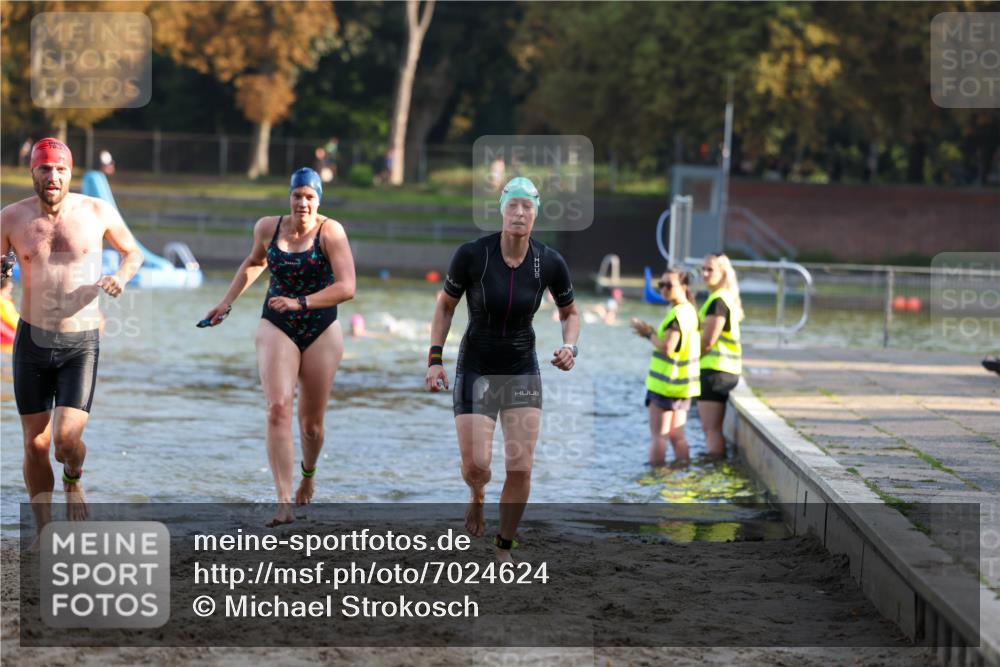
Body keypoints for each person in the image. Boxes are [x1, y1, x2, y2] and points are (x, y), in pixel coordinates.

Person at [425, 176, 580, 562]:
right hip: (476, 364)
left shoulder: (550, 262)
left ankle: (504, 546)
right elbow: (445, 306)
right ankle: (477, 495)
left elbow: (570, 313)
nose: (520, 212)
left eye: (527, 206)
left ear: (536, 214)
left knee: (521, 468)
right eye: (513, 204)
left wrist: (569, 345)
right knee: (477, 466)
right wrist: (434, 359)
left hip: (521, 367)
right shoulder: (473, 255)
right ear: (501, 210)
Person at [0, 138, 143, 532]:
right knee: (36, 443)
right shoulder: (11, 218)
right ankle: (44, 530)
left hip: (79, 342)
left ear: (70, 172)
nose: (53, 176)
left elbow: (133, 253)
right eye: (45, 168)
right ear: (32, 172)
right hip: (30, 341)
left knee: (64, 442)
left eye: (60, 169)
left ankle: (74, 476)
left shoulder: (97, 211)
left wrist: (120, 277)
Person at [202, 167, 356, 527]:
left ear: (319, 200)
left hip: (320, 326)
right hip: (276, 323)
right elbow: (256, 262)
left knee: (312, 426)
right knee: (277, 408)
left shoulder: (330, 231)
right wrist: (226, 302)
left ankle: (308, 473)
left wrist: (301, 302)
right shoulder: (268, 228)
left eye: (310, 197)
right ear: (289, 197)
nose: (303, 203)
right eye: (297, 195)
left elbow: (348, 287)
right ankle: (283, 503)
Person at [631, 269, 700, 468]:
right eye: (661, 285)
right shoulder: (690, 311)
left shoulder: (678, 314)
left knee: (659, 437)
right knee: (677, 436)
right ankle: (683, 470)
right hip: (683, 385)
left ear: (684, 287)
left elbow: (668, 347)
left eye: (669, 285)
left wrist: (648, 333)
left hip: (665, 384)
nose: (664, 289)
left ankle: (656, 476)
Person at [697, 253, 743, 459]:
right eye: (702, 269)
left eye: (710, 269)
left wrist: (686, 360)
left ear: (723, 273)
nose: (704, 273)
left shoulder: (718, 301)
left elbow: (708, 341)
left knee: (711, 430)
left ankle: (713, 468)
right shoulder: (723, 298)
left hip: (716, 371)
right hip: (723, 369)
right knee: (712, 429)